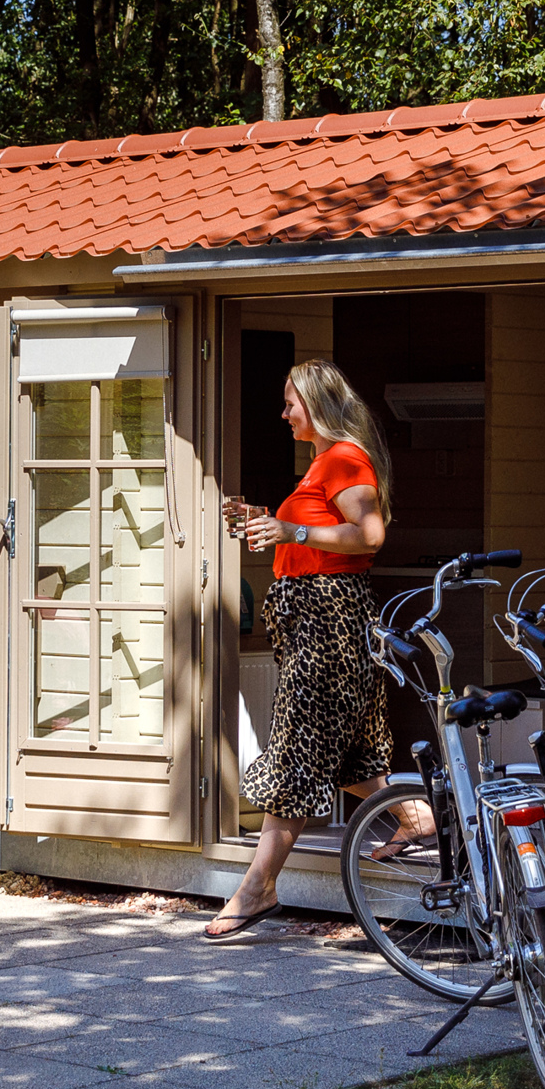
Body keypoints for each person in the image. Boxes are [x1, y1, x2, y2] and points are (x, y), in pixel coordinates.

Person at [207, 359, 411, 942]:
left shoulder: (344, 457)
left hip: (329, 619)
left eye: (291, 402)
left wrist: (290, 531)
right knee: (342, 748)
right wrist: (267, 523)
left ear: (317, 405)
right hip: (314, 615)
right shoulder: (324, 463)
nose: (283, 412)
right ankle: (414, 817)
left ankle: (257, 887)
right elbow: (315, 533)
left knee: (298, 748)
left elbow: (368, 535)